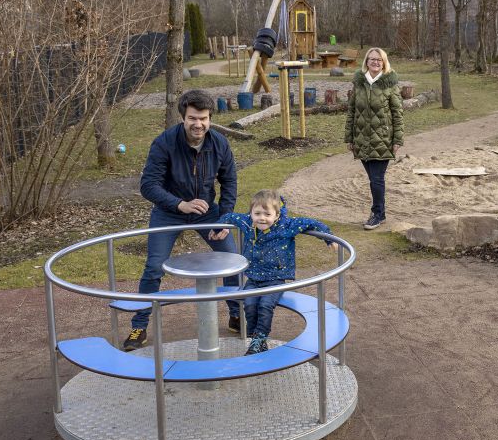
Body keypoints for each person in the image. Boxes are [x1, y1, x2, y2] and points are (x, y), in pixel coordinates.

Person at [123, 90, 240, 351]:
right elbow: (148, 185)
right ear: (183, 118)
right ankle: (139, 326)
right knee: (154, 267)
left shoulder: (219, 143)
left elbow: (229, 181)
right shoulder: (164, 143)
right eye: (192, 118)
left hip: (207, 211)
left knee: (232, 260)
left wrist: (224, 217)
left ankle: (236, 314)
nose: (198, 124)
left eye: (204, 118)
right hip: (170, 211)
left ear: (210, 118)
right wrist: (180, 204)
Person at [211, 190, 337, 355]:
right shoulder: (248, 223)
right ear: (251, 213)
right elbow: (228, 217)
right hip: (254, 278)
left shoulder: (287, 225)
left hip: (275, 279)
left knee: (265, 306)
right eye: (257, 213)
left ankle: (258, 340)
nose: (262, 218)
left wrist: (329, 238)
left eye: (267, 214)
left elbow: (312, 223)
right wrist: (217, 228)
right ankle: (256, 339)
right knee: (249, 304)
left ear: (277, 215)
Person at [344, 47, 404, 230]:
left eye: (379, 59)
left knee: (376, 179)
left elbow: (398, 113)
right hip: (361, 139)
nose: (375, 62)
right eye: (372, 59)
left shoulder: (390, 85)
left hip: (382, 139)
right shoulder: (359, 84)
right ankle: (381, 213)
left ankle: (377, 214)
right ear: (366, 62)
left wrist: (397, 140)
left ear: (384, 62)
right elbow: (352, 111)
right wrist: (349, 138)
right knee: (373, 178)